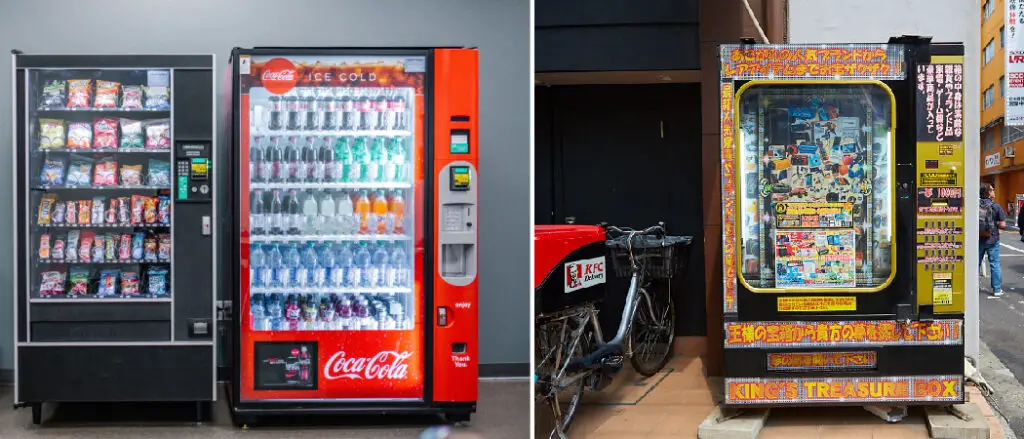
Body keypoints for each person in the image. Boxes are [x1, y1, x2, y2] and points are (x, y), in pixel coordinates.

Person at [980, 183, 1006, 296]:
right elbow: (1003, 225)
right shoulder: (996, 207)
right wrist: (996, 224)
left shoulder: (976, 205)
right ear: (988, 193)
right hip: (992, 239)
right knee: (994, 264)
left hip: (978, 238)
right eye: (992, 189)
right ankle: (997, 289)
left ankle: (971, 288)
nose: (994, 190)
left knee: (975, 263)